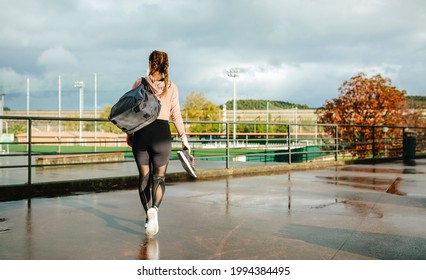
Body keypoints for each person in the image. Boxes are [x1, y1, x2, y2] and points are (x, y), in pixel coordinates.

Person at [128, 50, 190, 236]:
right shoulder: (171, 86)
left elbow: (131, 111)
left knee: (144, 178)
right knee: (159, 178)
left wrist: (130, 133)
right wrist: (184, 138)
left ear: (150, 63)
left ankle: (148, 217)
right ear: (166, 66)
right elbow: (176, 114)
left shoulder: (139, 83)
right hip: (162, 134)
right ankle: (155, 208)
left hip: (141, 132)